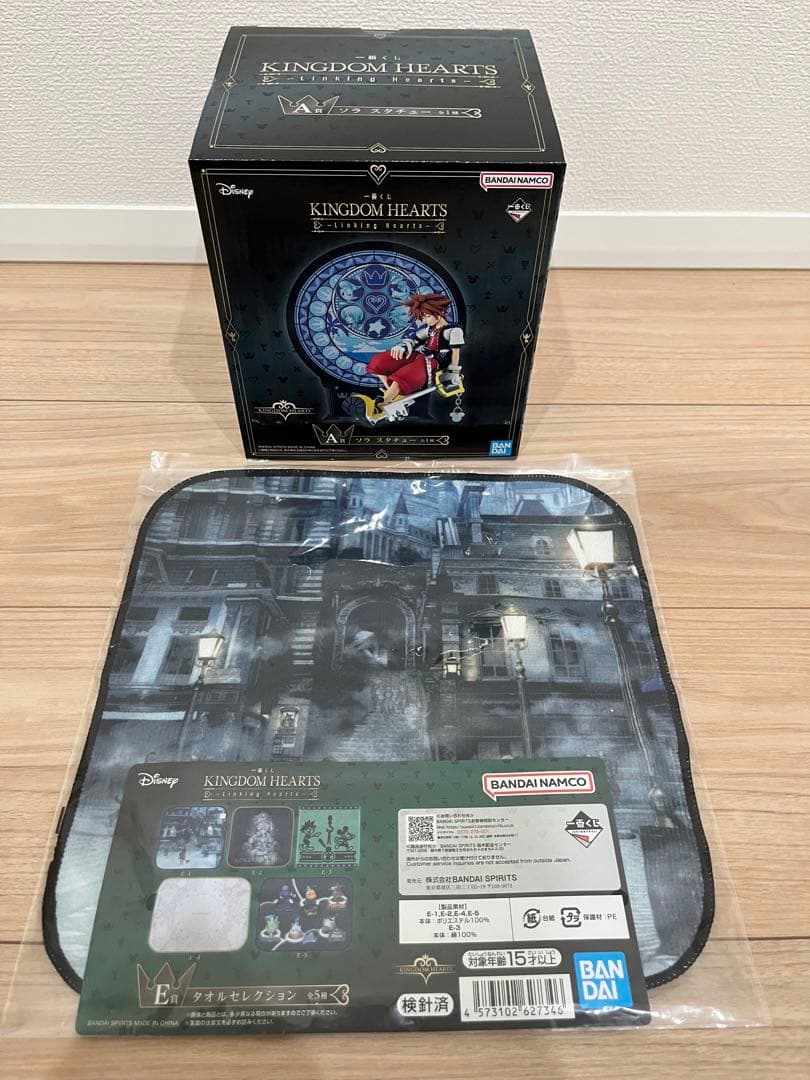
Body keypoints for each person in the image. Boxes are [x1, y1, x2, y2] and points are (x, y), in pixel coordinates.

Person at [356, 292, 464, 420]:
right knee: (379, 362)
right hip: (419, 355)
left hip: (434, 363)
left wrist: (453, 372)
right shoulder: (429, 329)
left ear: (440, 312)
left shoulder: (453, 331)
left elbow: (455, 353)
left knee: (403, 376)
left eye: (427, 316)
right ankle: (393, 394)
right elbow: (414, 340)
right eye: (423, 318)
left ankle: (380, 405)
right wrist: (402, 347)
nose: (425, 320)